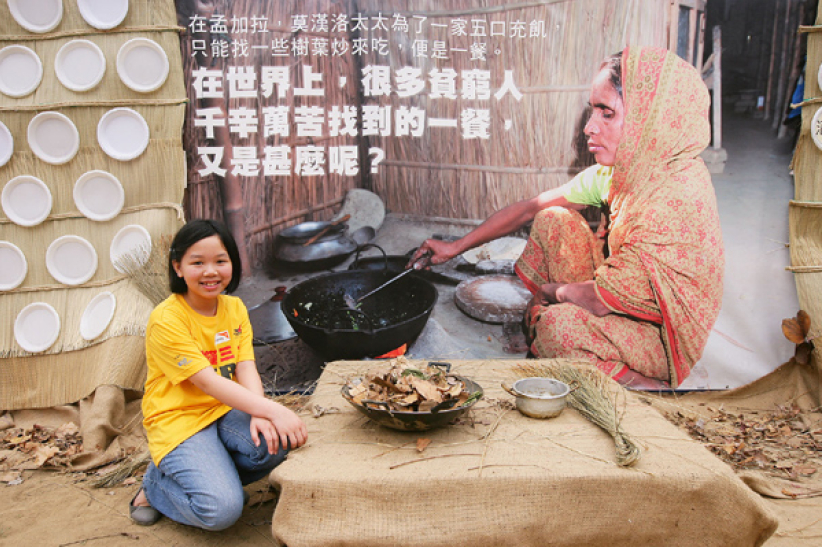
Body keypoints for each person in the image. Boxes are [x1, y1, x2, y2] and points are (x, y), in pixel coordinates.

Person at [411, 47, 724, 390]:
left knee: (557, 330)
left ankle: (650, 390)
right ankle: (575, 343)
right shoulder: (622, 172)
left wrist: (548, 294)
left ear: (649, 120)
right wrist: (454, 247)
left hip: (660, 337)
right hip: (616, 295)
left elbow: (601, 299)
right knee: (553, 219)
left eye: (607, 113)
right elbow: (529, 209)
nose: (590, 127)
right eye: (593, 111)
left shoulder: (673, 198)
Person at [129, 219, 308, 528]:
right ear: (178, 267)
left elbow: (245, 365)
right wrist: (273, 409)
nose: (210, 271)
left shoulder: (234, 308)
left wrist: (260, 413)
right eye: (198, 263)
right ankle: (155, 485)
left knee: (277, 440)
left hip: (224, 410)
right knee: (221, 512)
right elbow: (208, 382)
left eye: (220, 261)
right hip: (180, 421)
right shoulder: (166, 319)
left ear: (232, 264)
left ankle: (213, 477)